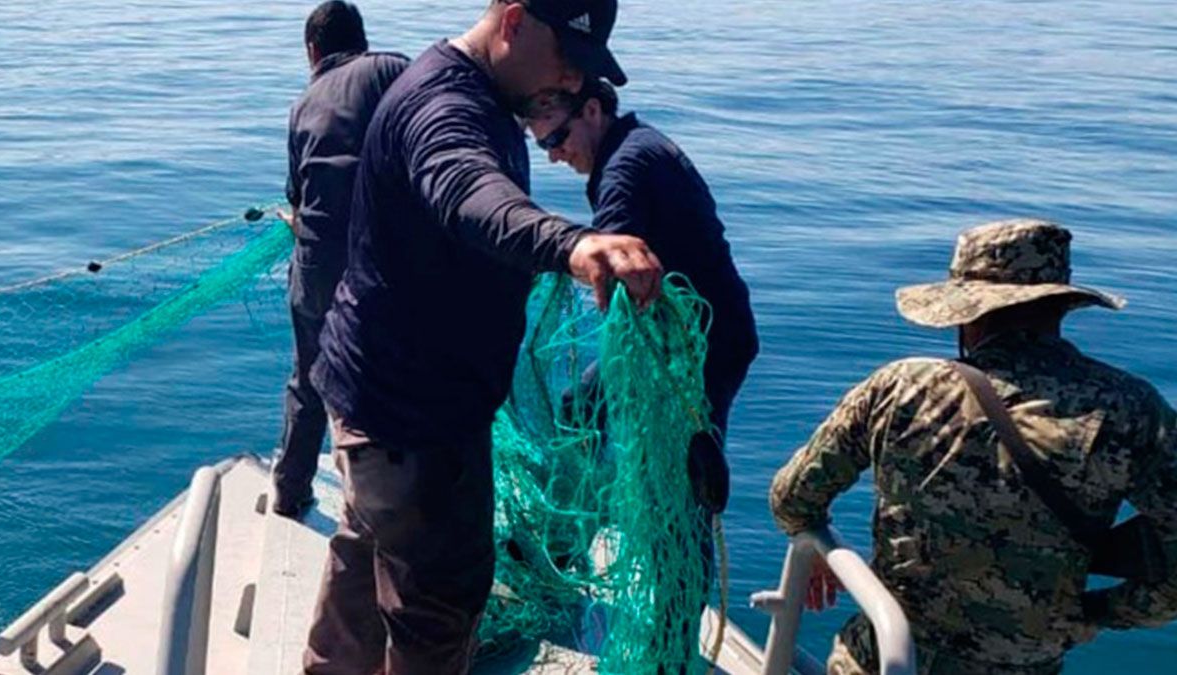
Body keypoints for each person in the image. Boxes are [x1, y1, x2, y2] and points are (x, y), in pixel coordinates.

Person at [303, 1, 664, 673]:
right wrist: (573, 243)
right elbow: (467, 188)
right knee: (438, 602)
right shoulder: (444, 107)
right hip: (413, 420)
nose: (574, 82)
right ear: (515, 21)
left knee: (363, 549)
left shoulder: (476, 96)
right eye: (568, 58)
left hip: (375, 398)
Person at [769, 219, 1176, 674]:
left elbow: (792, 497)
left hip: (884, 657)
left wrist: (817, 544)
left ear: (967, 315)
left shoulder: (900, 388)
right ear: (1060, 309)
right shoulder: (1131, 409)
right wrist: (1095, 611)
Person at [524, 78, 759, 516]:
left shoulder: (625, 166)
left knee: (677, 471)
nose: (554, 154)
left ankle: (677, 573)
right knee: (582, 405)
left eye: (556, 138)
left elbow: (607, 264)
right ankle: (583, 517)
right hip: (689, 330)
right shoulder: (635, 146)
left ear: (592, 111)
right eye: (543, 146)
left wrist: (548, 249)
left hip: (702, 343)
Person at [272, 1, 409, 518]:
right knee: (377, 383)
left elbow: (297, 200)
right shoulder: (389, 69)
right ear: (362, 40)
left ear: (313, 51)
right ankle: (376, 508)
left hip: (312, 269)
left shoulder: (302, 104)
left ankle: (289, 492)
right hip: (373, 271)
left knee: (308, 381)